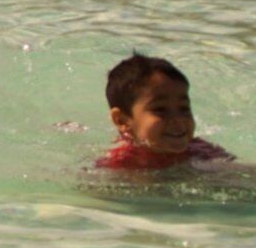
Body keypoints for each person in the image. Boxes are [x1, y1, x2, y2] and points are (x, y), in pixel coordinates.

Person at [94, 52, 235, 172]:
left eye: (184, 109)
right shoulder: (121, 164)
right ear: (122, 120)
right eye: (160, 109)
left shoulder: (200, 149)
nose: (178, 119)